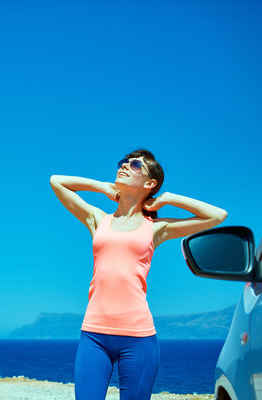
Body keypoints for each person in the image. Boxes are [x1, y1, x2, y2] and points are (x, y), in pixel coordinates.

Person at [49, 149, 227, 400]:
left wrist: (167, 198)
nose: (124, 166)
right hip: (93, 334)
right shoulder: (98, 219)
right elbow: (56, 181)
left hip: (138, 338)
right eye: (123, 162)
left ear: (149, 183)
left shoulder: (156, 228)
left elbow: (217, 215)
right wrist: (102, 187)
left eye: (134, 165)